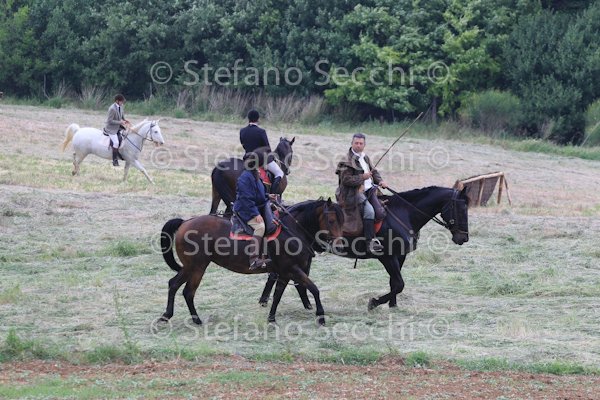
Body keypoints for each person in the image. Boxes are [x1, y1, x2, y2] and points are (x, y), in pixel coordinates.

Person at [335, 133, 388, 253]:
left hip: (370, 190)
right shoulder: (346, 161)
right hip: (351, 193)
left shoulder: (365, 157)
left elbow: (374, 172)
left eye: (361, 143)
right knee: (370, 212)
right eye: (356, 143)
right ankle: (370, 242)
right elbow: (346, 180)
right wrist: (363, 177)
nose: (358, 145)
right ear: (352, 144)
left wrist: (380, 181)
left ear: (364, 145)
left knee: (380, 212)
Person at [233, 152, 274, 270]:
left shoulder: (255, 174)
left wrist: (268, 196)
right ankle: (254, 260)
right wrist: (255, 214)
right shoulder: (245, 177)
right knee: (260, 227)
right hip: (245, 209)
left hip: (256, 207)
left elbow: (257, 193)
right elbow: (246, 199)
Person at [239, 110, 284, 195]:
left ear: (248, 119)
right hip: (260, 160)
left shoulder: (242, 131)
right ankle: (272, 196)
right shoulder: (261, 131)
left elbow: (243, 145)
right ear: (258, 119)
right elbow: (267, 148)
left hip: (248, 159)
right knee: (279, 173)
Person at [104, 94, 130, 166]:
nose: (122, 103)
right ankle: (114, 160)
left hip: (118, 127)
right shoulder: (112, 108)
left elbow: (122, 116)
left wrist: (125, 120)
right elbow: (109, 121)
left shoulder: (121, 106)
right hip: (111, 128)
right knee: (116, 143)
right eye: (121, 101)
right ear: (117, 101)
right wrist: (120, 122)